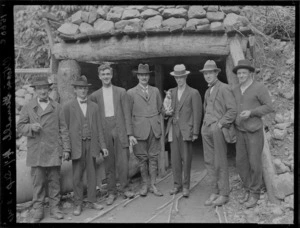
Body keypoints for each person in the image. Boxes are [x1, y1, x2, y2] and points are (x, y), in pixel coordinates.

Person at [17, 76, 70, 223]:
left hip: (53, 149)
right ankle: (38, 210)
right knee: (38, 182)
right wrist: (31, 127)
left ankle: (55, 208)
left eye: (45, 88)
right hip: (36, 150)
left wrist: (66, 149)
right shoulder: (28, 106)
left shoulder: (57, 107)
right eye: (39, 89)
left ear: (49, 90)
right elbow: (20, 127)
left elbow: (64, 129)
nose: (42, 91)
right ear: (35, 91)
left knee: (54, 181)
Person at [89, 63, 136, 206]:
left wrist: (130, 134)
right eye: (103, 74)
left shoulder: (121, 92)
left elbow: (127, 114)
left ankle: (125, 188)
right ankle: (111, 192)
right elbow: (94, 118)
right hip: (105, 128)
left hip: (119, 126)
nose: (106, 77)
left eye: (108, 74)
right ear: (99, 76)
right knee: (108, 162)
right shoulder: (95, 96)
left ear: (112, 75)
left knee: (123, 161)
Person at [62, 76, 109, 216]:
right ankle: (78, 204)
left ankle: (92, 200)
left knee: (92, 173)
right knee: (77, 176)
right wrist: (67, 148)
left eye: (85, 88)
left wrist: (104, 146)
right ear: (75, 90)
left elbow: (100, 127)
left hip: (92, 143)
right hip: (77, 145)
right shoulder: (68, 107)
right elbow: (64, 129)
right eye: (80, 88)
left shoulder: (94, 107)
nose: (83, 91)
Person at [232, 59, 273, 208]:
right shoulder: (235, 89)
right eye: (239, 73)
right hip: (240, 131)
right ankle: (249, 189)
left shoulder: (259, 87)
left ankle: (255, 194)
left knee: (255, 163)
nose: (241, 75)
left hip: (254, 131)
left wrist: (252, 112)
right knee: (241, 163)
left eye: (244, 72)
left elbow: (269, 107)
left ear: (250, 73)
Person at [200, 60, 237, 206]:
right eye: (206, 73)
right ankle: (214, 191)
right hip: (206, 129)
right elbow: (206, 110)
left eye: (210, 73)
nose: (208, 76)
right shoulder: (207, 91)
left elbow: (232, 110)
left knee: (220, 161)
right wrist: (204, 126)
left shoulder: (225, 88)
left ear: (216, 73)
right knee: (209, 161)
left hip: (217, 129)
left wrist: (220, 124)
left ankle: (224, 193)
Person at [165, 64, 202, 198]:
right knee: (174, 159)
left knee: (186, 159)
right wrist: (166, 111)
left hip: (187, 130)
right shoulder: (171, 92)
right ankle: (177, 185)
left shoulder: (193, 92)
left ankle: (186, 186)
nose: (179, 80)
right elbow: (166, 110)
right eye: (176, 77)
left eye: (181, 77)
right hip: (173, 129)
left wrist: (196, 132)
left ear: (185, 76)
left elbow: (197, 113)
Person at [127, 63, 163, 197]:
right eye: (141, 75)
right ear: (138, 76)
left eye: (146, 75)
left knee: (153, 157)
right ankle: (144, 185)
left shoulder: (155, 91)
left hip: (154, 128)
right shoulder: (130, 93)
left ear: (149, 76)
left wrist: (168, 109)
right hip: (139, 131)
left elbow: (160, 109)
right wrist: (130, 133)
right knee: (142, 159)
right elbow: (127, 114)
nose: (144, 77)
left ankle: (153, 184)